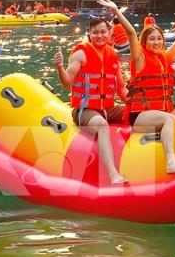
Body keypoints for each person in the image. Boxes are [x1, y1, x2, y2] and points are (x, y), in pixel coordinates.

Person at [102, 0, 175, 176]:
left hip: (161, 110)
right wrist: (116, 11)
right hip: (140, 116)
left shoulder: (165, 57)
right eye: (152, 39)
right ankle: (171, 162)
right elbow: (131, 33)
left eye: (159, 39)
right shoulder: (139, 59)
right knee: (169, 119)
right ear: (144, 42)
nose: (156, 42)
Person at [54, 13, 129, 185]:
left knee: (137, 113)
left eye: (103, 32)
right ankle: (113, 174)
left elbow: (121, 89)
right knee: (102, 125)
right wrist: (59, 67)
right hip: (84, 110)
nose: (99, 36)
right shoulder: (81, 54)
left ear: (109, 33)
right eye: (95, 32)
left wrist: (135, 107)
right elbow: (67, 82)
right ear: (90, 34)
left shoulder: (112, 55)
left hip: (108, 108)